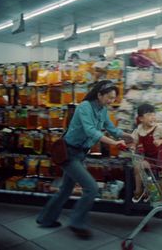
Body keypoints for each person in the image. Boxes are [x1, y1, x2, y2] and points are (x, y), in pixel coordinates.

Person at [36, 80, 133, 239]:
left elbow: (111, 128)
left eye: (113, 98)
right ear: (99, 94)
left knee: (66, 189)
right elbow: (90, 131)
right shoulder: (84, 107)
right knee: (91, 188)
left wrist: (128, 136)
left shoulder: (102, 109)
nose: (111, 101)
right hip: (69, 154)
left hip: (80, 154)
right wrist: (114, 143)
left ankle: (46, 219)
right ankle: (77, 223)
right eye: (109, 97)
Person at [131, 103, 162, 203]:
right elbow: (134, 141)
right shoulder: (139, 130)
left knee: (139, 167)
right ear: (141, 119)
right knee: (138, 166)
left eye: (153, 114)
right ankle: (145, 190)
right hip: (146, 157)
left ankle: (139, 191)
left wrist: (160, 141)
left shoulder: (159, 128)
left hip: (157, 159)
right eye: (149, 115)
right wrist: (132, 146)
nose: (152, 117)